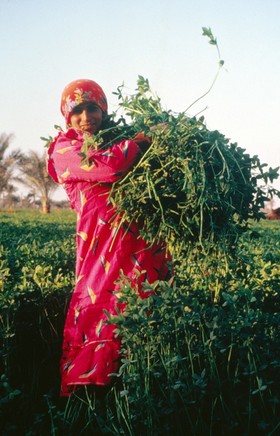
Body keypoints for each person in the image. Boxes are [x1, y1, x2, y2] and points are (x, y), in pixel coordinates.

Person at [47, 79, 171, 396]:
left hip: (137, 247)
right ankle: (87, 394)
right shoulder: (63, 150)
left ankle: (135, 392)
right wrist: (141, 142)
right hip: (98, 249)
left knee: (140, 310)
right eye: (77, 110)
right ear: (66, 115)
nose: (85, 116)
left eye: (92, 108)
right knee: (94, 310)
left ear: (103, 109)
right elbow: (108, 168)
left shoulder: (114, 140)